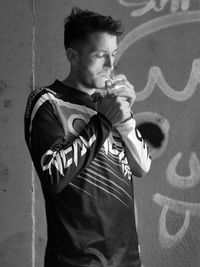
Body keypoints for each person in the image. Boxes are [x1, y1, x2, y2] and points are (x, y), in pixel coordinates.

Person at [24, 7, 151, 267]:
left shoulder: (109, 103)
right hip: (76, 261)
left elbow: (142, 166)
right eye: (100, 56)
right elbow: (54, 176)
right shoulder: (46, 101)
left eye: (113, 55)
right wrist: (104, 121)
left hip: (127, 259)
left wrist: (125, 119)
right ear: (73, 56)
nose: (111, 66)